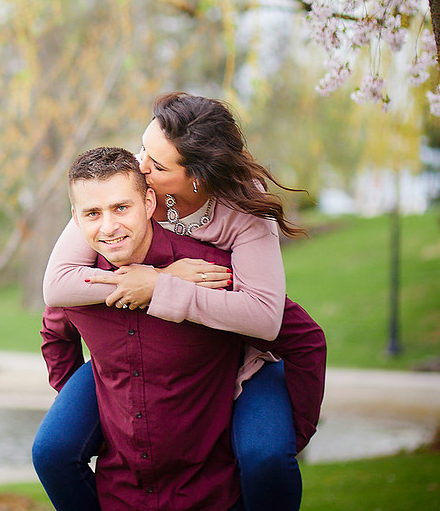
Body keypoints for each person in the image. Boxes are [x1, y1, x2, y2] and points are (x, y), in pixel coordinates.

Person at [34, 92, 326, 511]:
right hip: (126, 356)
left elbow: (267, 318)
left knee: (265, 455)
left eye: (157, 164)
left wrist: (160, 287)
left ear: (196, 178)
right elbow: (57, 290)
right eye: (143, 148)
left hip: (234, 343)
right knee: (52, 451)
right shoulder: (120, 200)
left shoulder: (242, 209)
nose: (139, 166)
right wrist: (150, 279)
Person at [39, 146, 245, 510]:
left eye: (121, 207)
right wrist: (85, 406)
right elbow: (55, 334)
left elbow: (292, 332)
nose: (108, 226)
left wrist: (291, 434)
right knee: (50, 453)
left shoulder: (206, 269)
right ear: (76, 218)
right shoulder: (75, 285)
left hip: (209, 493)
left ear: (149, 203)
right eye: (92, 213)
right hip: (121, 492)